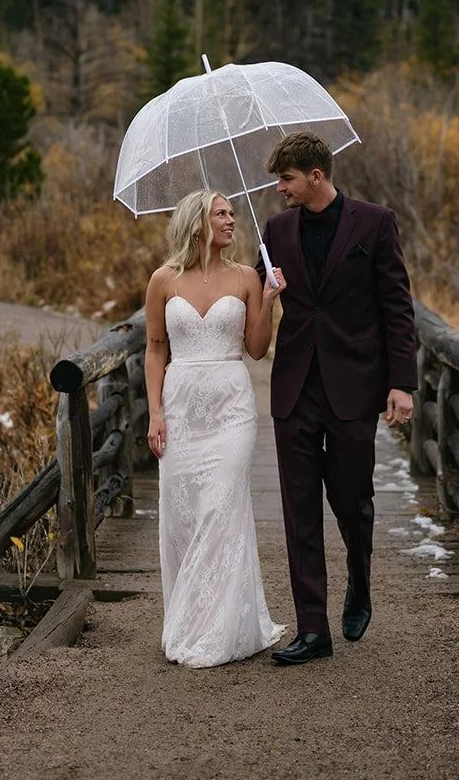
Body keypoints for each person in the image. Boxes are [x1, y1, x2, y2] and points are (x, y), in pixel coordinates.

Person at [257, 131, 418, 666]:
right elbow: (252, 296)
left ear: (316, 176)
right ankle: (311, 629)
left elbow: (397, 307)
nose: (279, 188)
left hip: (355, 385)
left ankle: (360, 576)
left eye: (287, 179)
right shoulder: (275, 231)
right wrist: (263, 292)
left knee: (351, 500)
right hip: (295, 388)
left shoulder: (375, 222)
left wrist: (402, 382)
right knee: (299, 510)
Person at [144, 190, 288, 667]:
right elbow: (155, 349)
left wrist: (267, 301)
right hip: (181, 407)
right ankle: (190, 617)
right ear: (197, 223)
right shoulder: (163, 281)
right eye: (221, 214)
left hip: (231, 408)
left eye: (232, 212)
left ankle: (221, 629)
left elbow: (255, 348)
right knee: (185, 515)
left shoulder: (248, 276)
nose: (231, 220)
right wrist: (155, 412)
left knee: (221, 508)